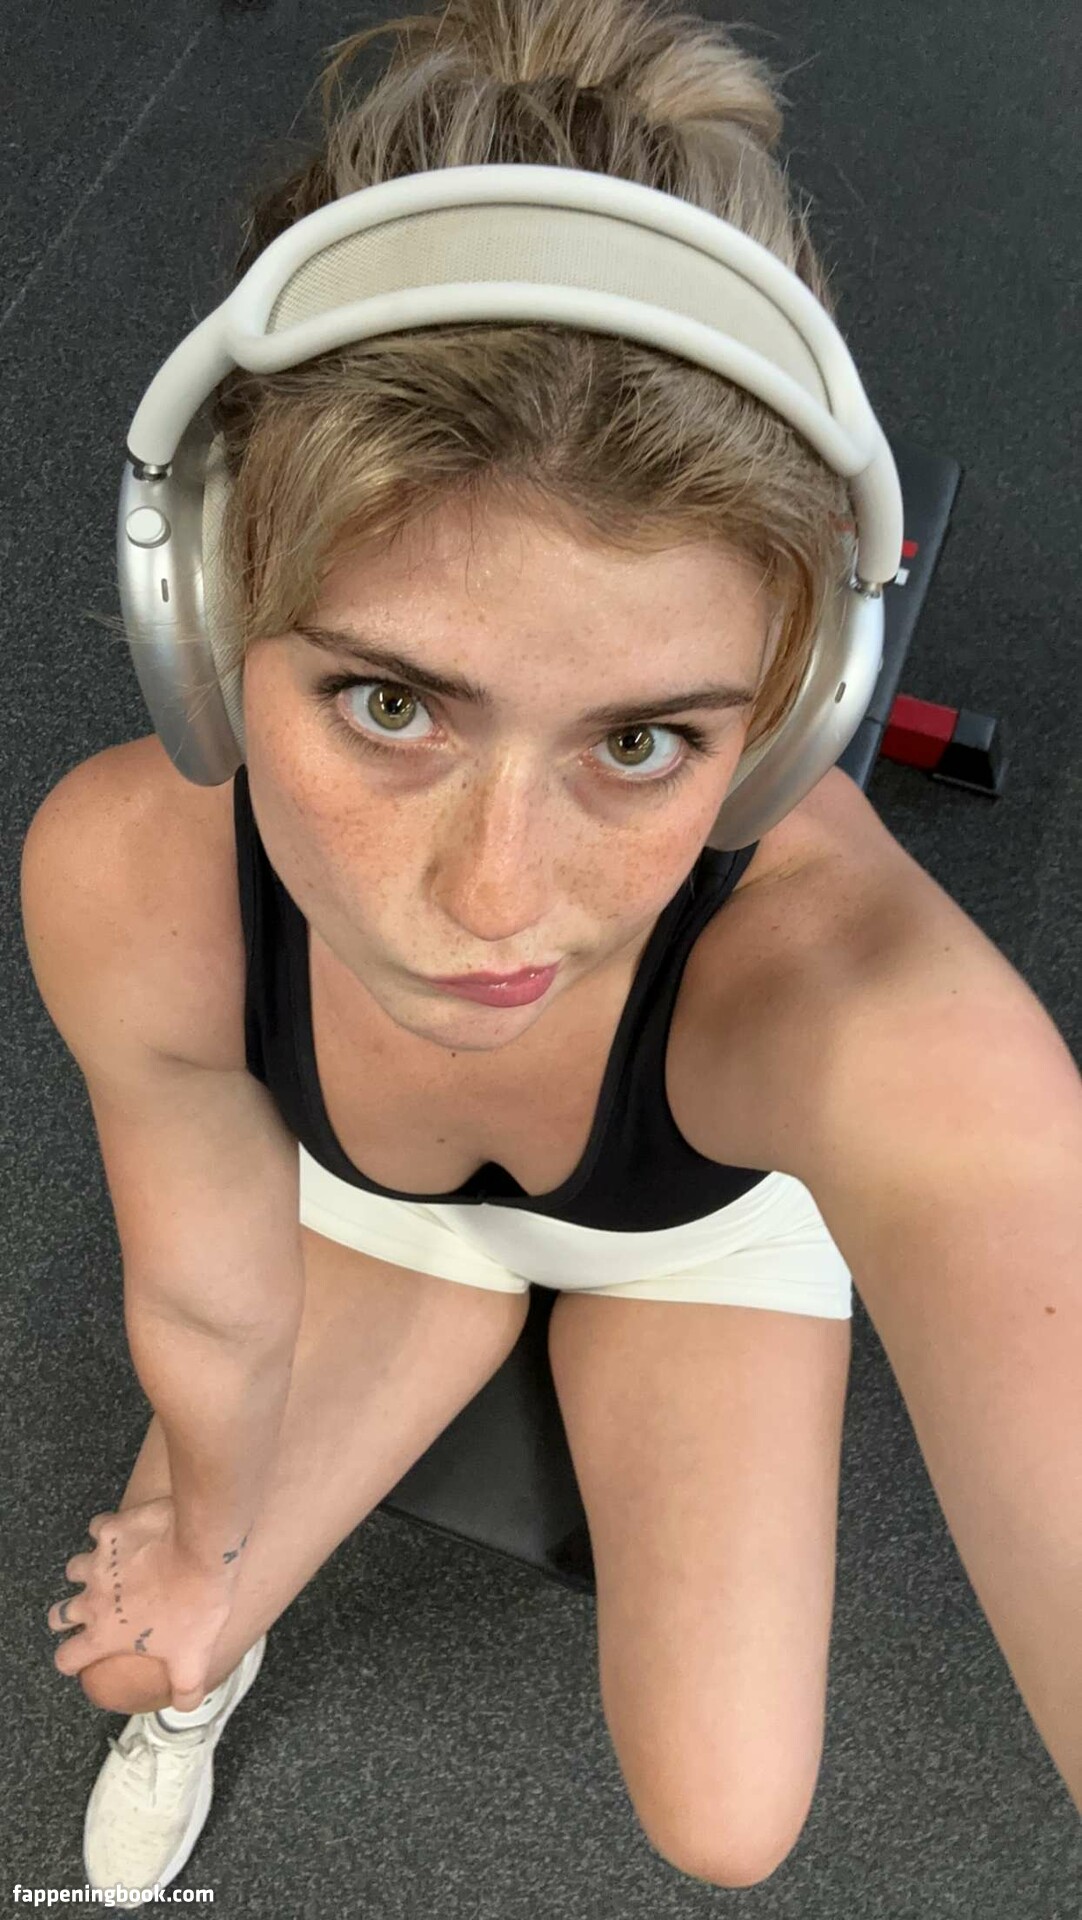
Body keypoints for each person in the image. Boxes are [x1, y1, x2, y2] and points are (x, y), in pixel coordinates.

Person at [23, 0, 898, 1896]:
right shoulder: (130, 869)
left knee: (728, 1822)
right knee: (141, 1653)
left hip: (691, 1250)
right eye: (391, 704)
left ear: (789, 723)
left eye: (642, 739)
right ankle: (206, 1683)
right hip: (381, 1220)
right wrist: (208, 1557)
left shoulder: (843, 977)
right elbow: (208, 1309)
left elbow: (1020, 1218)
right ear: (201, 629)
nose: (497, 907)